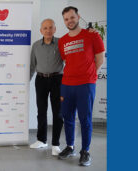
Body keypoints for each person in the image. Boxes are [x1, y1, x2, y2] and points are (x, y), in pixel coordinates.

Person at [57, 6, 105, 167]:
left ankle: (85, 151)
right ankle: (70, 147)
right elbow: (67, 60)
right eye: (66, 19)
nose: (69, 21)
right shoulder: (63, 41)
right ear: (64, 21)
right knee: (68, 117)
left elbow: (100, 59)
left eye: (72, 17)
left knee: (85, 119)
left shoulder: (92, 35)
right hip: (67, 84)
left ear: (78, 17)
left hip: (85, 84)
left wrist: (89, 74)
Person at [29, 19, 64, 156]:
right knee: (41, 111)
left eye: (50, 27)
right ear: (41, 30)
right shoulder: (36, 45)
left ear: (55, 29)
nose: (48, 30)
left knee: (58, 112)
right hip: (41, 79)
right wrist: (27, 81)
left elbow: (69, 61)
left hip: (57, 79)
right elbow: (32, 65)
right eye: (45, 28)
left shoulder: (61, 43)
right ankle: (41, 140)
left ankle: (55, 144)